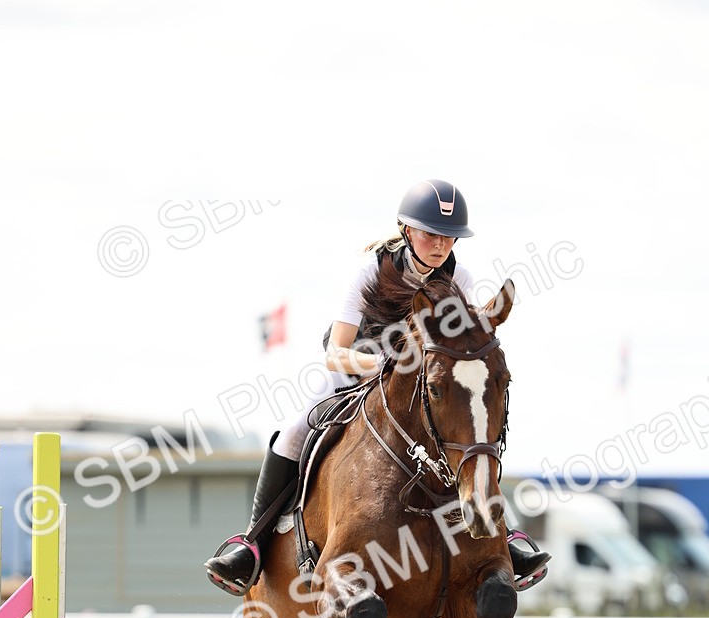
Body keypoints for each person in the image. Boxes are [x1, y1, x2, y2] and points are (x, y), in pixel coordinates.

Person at [205, 179, 550, 595]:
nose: (441, 245)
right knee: (296, 430)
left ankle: (504, 537)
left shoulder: (462, 277)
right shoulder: (371, 270)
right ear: (407, 230)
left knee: (470, 428)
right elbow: (337, 350)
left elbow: (463, 344)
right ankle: (252, 545)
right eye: (431, 234)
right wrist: (389, 365)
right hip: (357, 369)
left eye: (449, 237)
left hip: (422, 383)